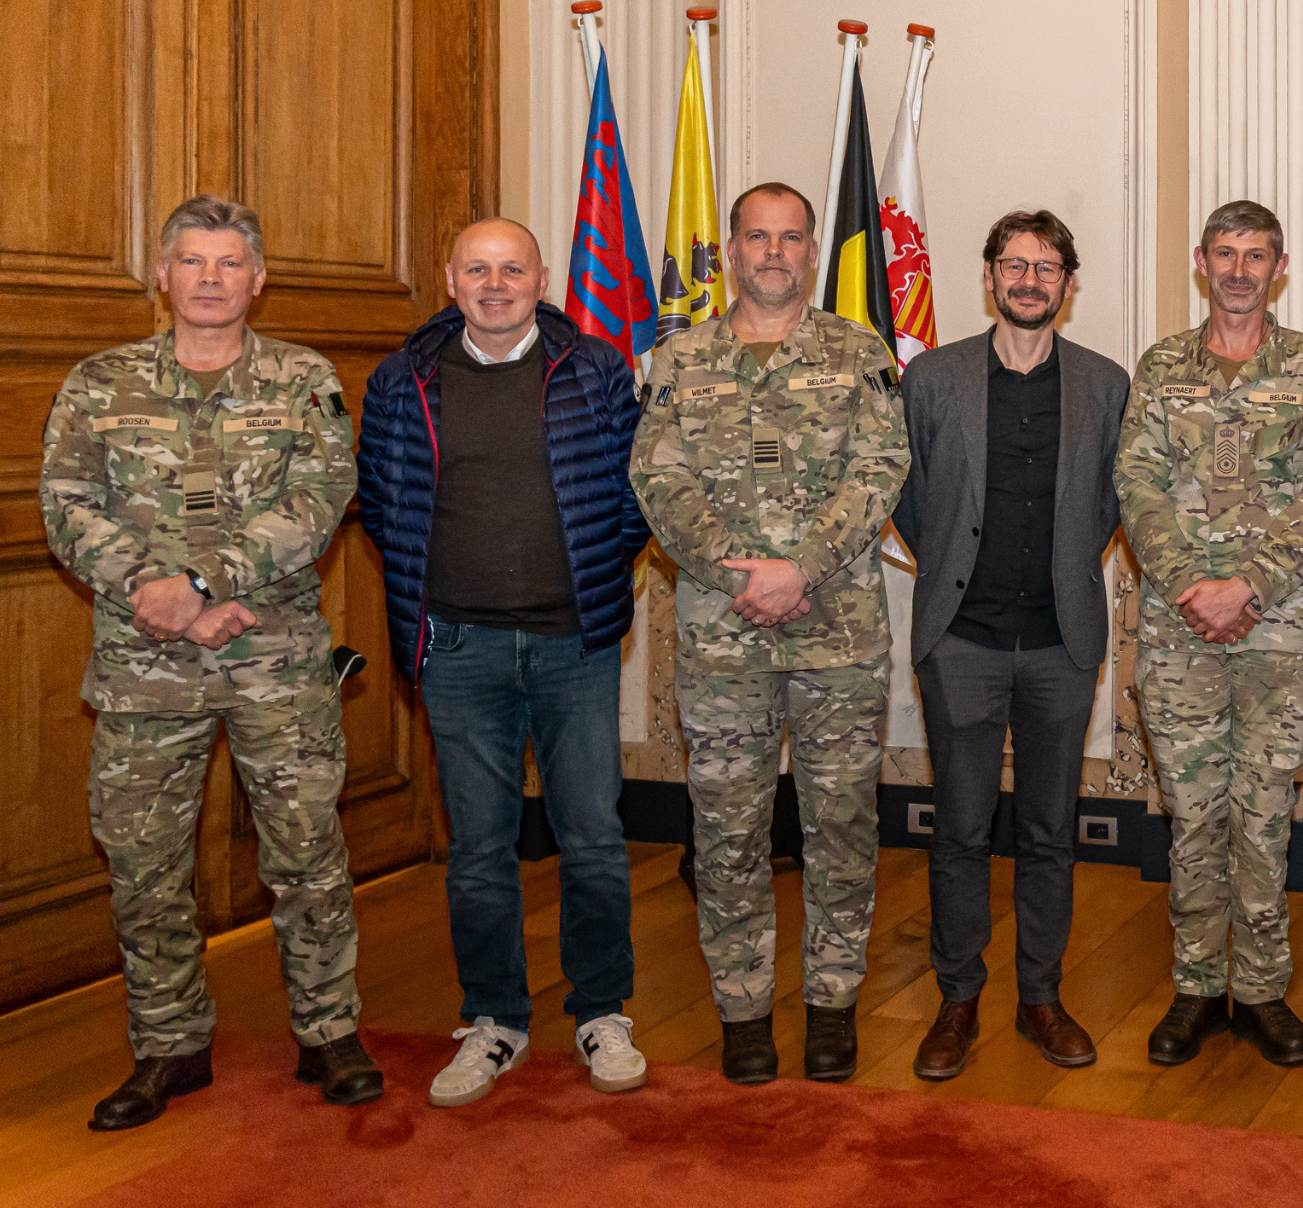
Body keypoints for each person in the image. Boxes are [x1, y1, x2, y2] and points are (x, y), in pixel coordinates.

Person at [40, 195, 378, 1130]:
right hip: (146, 661)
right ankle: (167, 1045)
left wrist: (200, 579)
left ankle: (329, 1030)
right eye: (193, 262)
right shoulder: (100, 382)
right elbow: (67, 501)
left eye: (230, 264)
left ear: (258, 279)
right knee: (145, 865)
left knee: (306, 855)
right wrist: (161, 594)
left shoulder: (304, 379)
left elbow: (321, 499)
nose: (211, 279)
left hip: (273, 657)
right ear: (162, 274)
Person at [356, 218, 650, 1106]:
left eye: (511, 268)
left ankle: (602, 1011)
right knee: (479, 848)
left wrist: (593, 579)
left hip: (576, 644)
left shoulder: (595, 371)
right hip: (457, 647)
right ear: (449, 278)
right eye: (477, 268)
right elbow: (380, 501)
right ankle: (494, 1020)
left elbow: (637, 494)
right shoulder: (401, 379)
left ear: (540, 278)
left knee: (593, 838)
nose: (494, 283)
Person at [631, 182, 909, 1085]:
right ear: (733, 251)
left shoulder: (857, 351)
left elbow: (881, 469)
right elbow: (660, 483)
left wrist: (802, 568)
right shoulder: (680, 359)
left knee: (841, 825)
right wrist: (737, 574)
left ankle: (832, 1003)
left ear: (813, 248)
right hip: (722, 638)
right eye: (758, 237)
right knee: (729, 831)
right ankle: (742, 1010)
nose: (775, 253)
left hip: (838, 635)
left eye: (792, 238)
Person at [892, 210, 1129, 1079]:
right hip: (961, 640)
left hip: (1062, 644)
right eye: (1014, 265)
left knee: (1048, 831)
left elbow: (1110, 506)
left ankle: (1040, 997)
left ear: (1069, 284)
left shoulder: (1107, 386)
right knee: (957, 829)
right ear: (989, 275)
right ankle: (957, 1000)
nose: (1030, 280)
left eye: (1048, 267)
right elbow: (911, 498)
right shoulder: (933, 378)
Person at [1116, 200, 1303, 1068]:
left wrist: (1246, 586)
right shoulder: (1163, 365)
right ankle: (1195, 988)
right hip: (1180, 633)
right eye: (1225, 253)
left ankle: (1262, 991)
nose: (1240, 269)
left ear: (1279, 267)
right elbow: (1134, 484)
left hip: (1278, 631)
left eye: (1257, 255)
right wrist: (1189, 587)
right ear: (1202, 263)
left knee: (1263, 815)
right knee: (1193, 812)